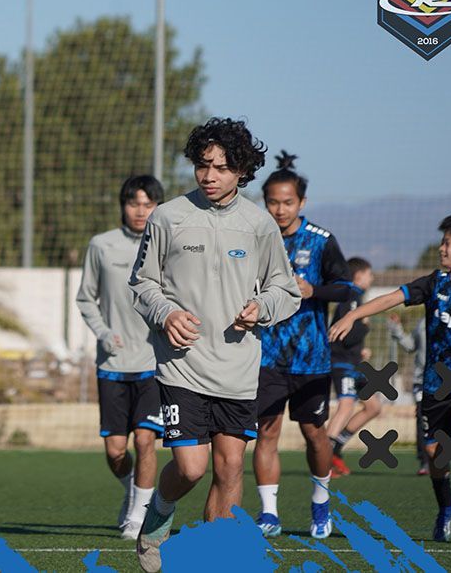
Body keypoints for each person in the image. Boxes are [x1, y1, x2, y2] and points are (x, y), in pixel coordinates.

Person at [130, 118, 300, 573]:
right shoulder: (168, 217)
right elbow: (142, 284)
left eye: (221, 168)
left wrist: (260, 308)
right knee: (190, 469)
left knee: (229, 471)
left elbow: (287, 290)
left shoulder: (260, 224)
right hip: (181, 366)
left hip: (239, 370)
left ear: (241, 171)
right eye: (203, 166)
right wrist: (167, 314)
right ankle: (157, 521)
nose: (209, 176)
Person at [330, 214, 451, 543]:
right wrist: (355, 313)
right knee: (435, 455)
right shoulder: (434, 283)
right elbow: (391, 298)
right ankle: (446, 507)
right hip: (434, 385)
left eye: (447, 243)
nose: (441, 248)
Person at [252, 151, 352, 539]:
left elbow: (346, 286)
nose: (280, 209)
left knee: (314, 434)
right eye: (273, 202)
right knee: (267, 432)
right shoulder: (256, 239)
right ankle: (269, 513)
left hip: (311, 358)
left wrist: (315, 290)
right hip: (266, 355)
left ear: (302, 203)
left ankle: (321, 500)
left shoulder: (321, 241)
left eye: (288, 202)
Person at [75, 174, 165, 540]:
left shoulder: (168, 245)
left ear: (158, 207)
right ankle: (132, 487)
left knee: (146, 440)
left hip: (154, 364)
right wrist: (103, 334)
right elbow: (85, 298)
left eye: (148, 204)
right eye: (133, 203)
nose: (140, 211)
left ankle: (139, 516)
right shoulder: (101, 245)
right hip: (112, 366)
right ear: (122, 206)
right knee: (116, 451)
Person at [325, 257, 376, 477]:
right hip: (342, 363)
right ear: (359, 275)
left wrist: (360, 350)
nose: (371, 278)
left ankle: (336, 447)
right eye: (369, 274)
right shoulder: (352, 296)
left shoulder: (357, 297)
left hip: (354, 363)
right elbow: (345, 333)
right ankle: (324, 460)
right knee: (345, 406)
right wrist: (364, 328)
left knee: (374, 407)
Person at [388, 313, 430, 475]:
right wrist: (397, 329)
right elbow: (411, 345)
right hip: (422, 381)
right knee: (422, 418)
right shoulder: (423, 321)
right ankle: (425, 461)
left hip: (447, 381)